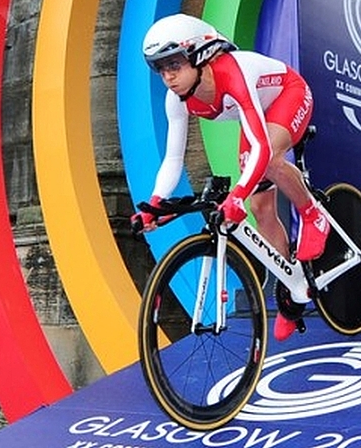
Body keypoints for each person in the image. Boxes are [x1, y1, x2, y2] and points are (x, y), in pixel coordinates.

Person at [134, 13, 330, 341]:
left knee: (265, 162)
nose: (168, 77)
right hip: (256, 113)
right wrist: (154, 204)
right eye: (160, 68)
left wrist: (235, 195)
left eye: (175, 65)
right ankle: (293, 289)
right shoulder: (177, 100)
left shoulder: (232, 72)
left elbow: (262, 149)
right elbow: (172, 157)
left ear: (199, 55)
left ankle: (313, 215)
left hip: (289, 95)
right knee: (260, 208)